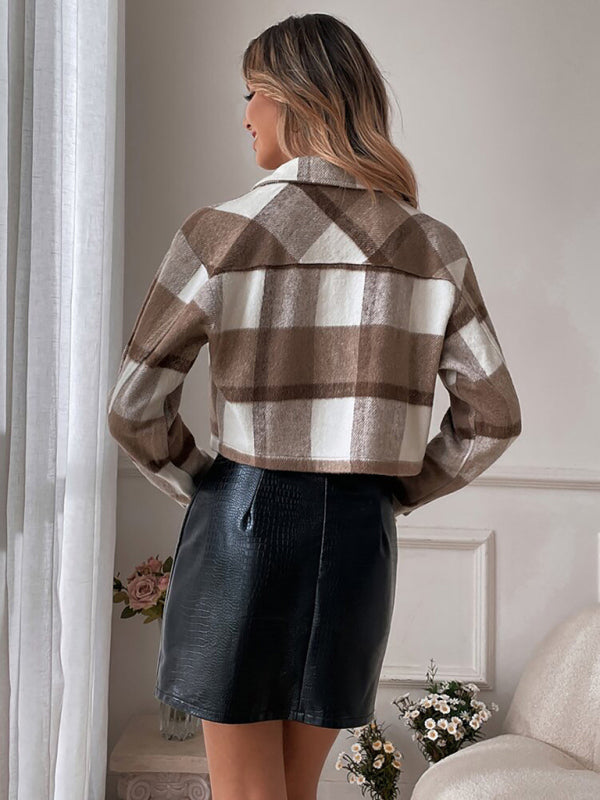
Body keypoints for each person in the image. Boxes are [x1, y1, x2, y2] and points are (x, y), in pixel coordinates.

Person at [107, 12, 522, 800]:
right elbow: (492, 416)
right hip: (359, 538)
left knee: (245, 793)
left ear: (293, 99)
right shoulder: (431, 244)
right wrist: (392, 488)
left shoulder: (219, 233)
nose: (245, 115)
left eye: (252, 93)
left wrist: (204, 481)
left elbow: (134, 405)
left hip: (244, 525)